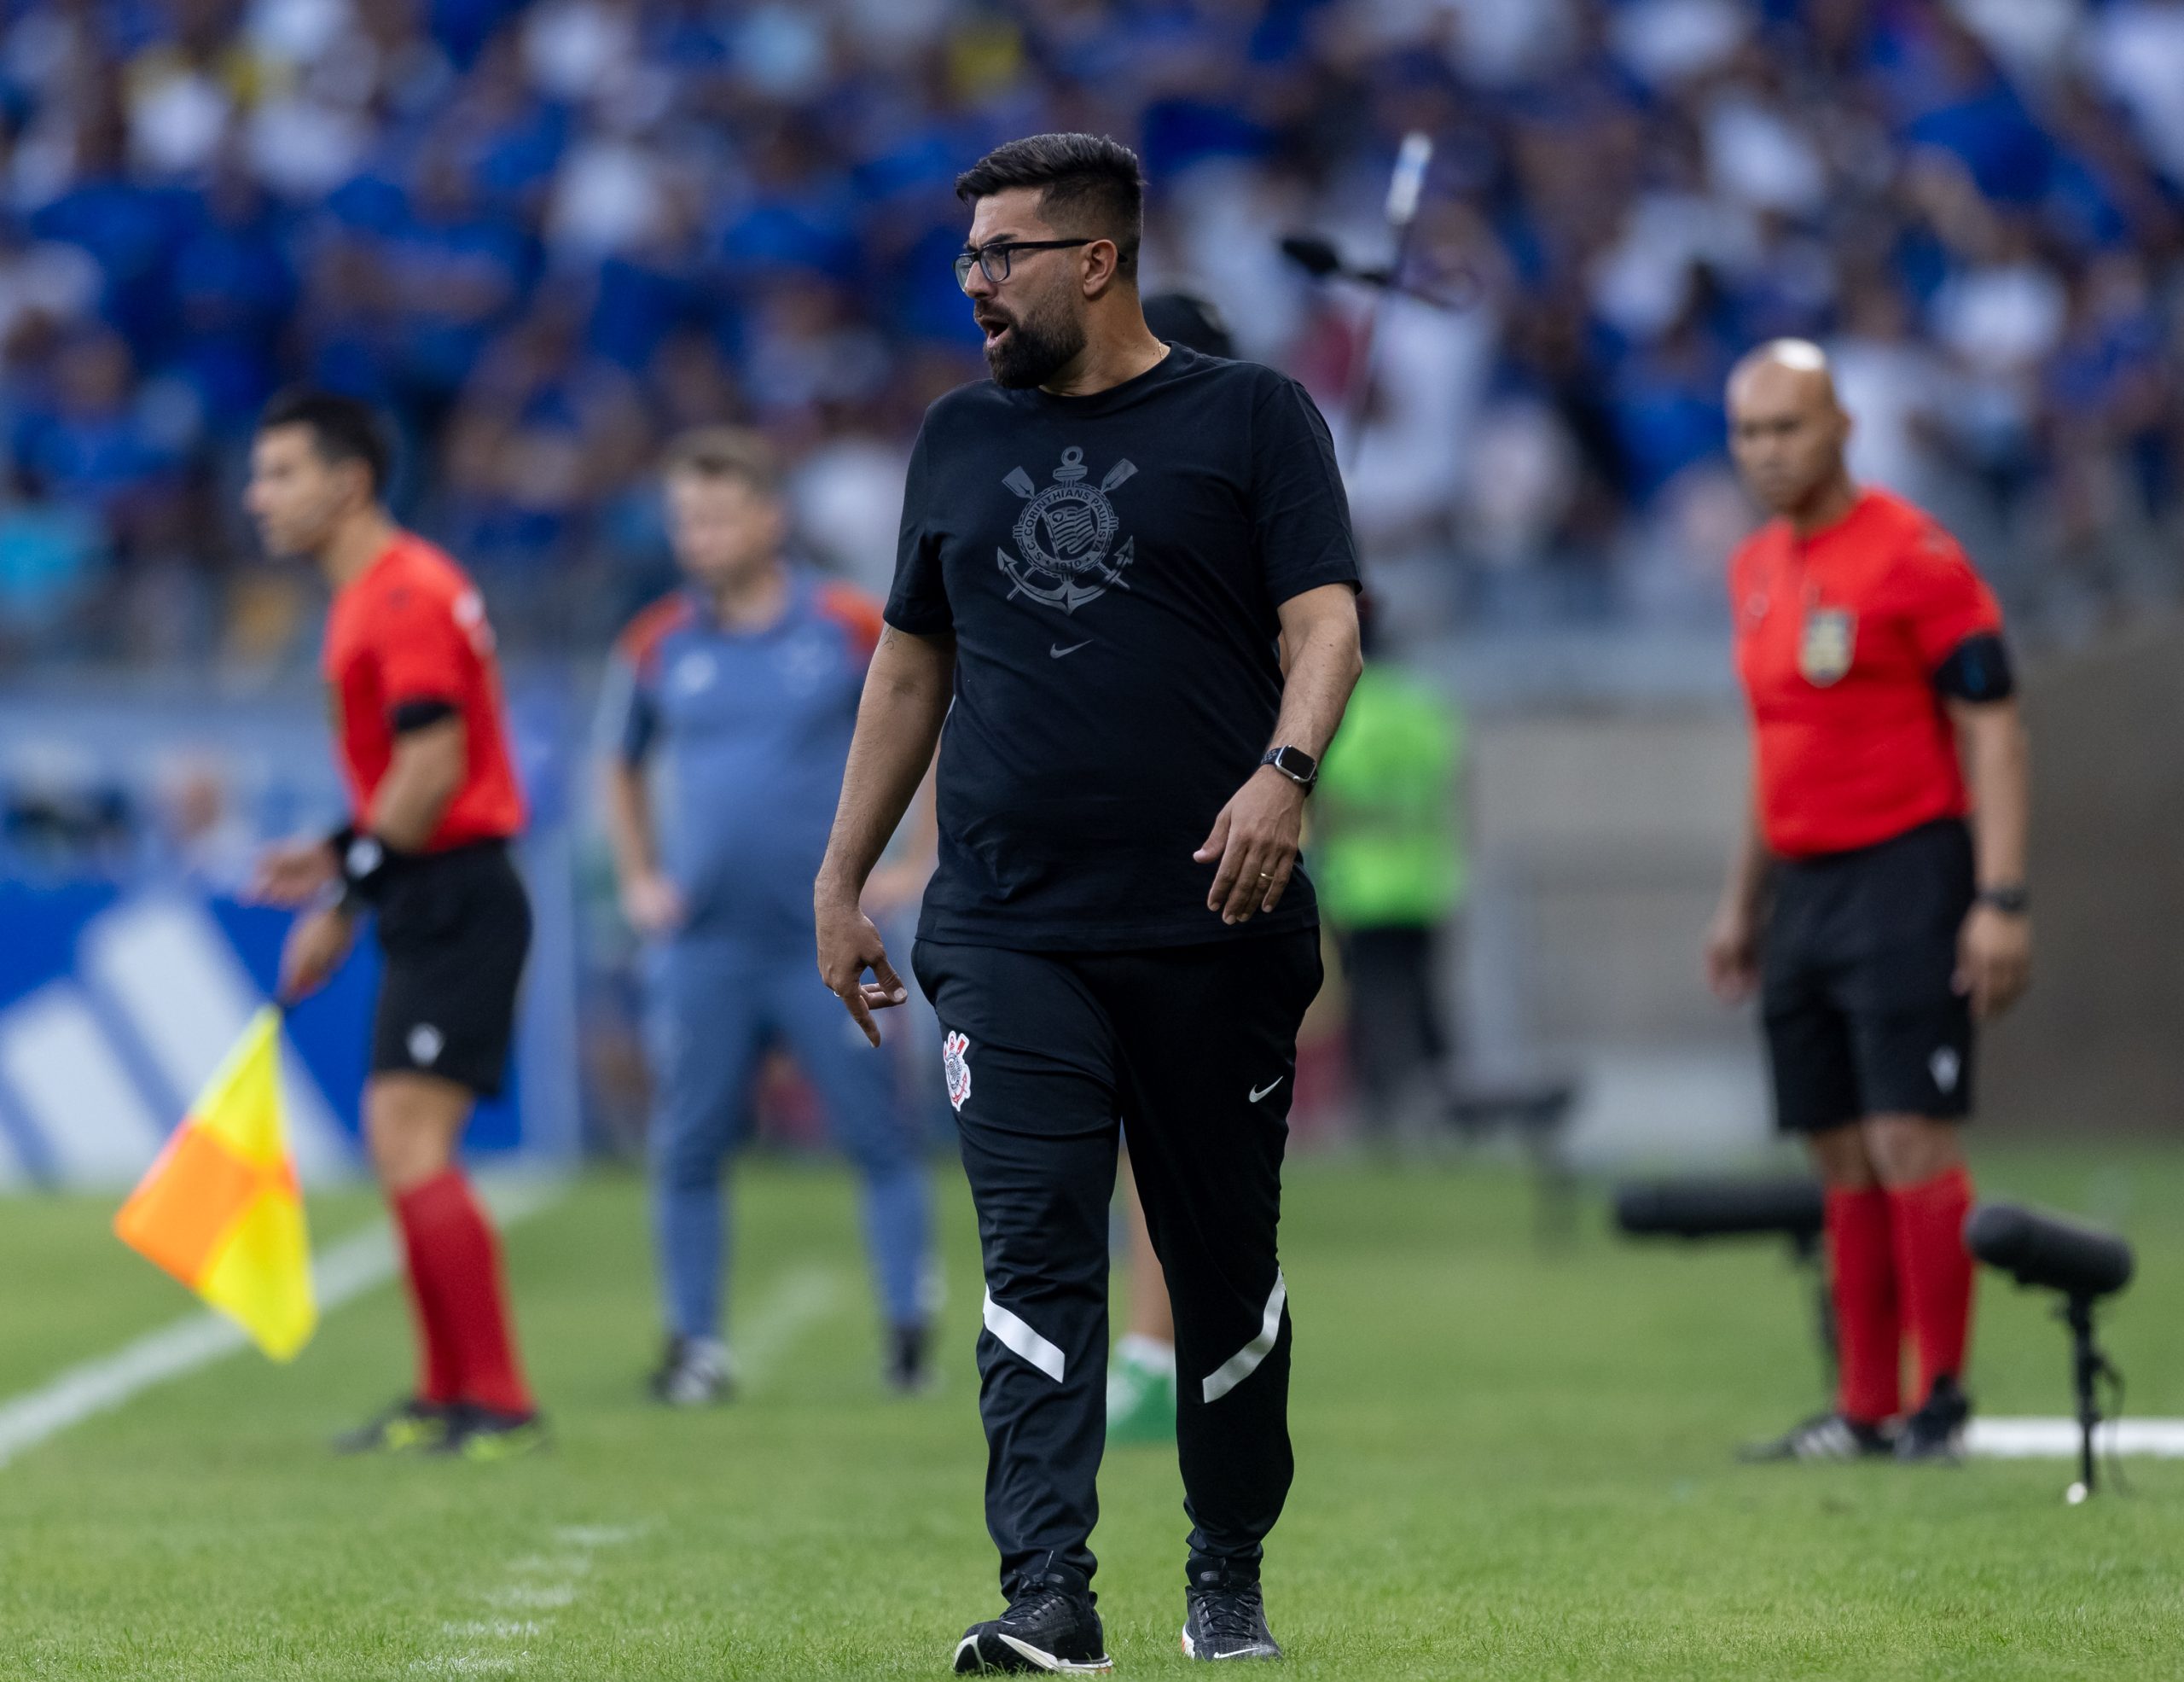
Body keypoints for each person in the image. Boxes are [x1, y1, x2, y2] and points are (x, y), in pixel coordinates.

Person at [815, 134, 1362, 1672]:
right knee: (1035, 1250)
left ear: (1097, 259)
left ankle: (1228, 1560)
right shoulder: (954, 437)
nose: (975, 285)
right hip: (1006, 928)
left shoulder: (1255, 417)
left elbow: (1328, 623)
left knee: (1224, 1279)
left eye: (1003, 256)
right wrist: (843, 871)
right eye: (968, 258)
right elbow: (910, 665)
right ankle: (1049, 1591)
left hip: (1214, 926)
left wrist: (1285, 770)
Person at [1705, 340, 2031, 1465]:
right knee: (1837, 1148)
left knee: (1905, 1133)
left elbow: (1992, 725)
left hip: (1907, 868)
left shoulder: (1917, 556)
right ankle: (1865, 1406)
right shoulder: (1753, 567)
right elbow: (1773, 743)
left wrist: (2000, 894)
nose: (1766, 452)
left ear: (1842, 425)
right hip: (1803, 887)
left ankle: (1939, 1398)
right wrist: (1741, 902)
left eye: (1787, 427)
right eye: (1748, 432)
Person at [596, 427, 936, 1403]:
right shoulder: (658, 641)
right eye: (683, 519)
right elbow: (617, 759)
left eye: (715, 515)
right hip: (704, 942)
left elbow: (931, 719)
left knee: (877, 1135)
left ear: (769, 519)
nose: (696, 535)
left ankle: (907, 1326)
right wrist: (639, 875)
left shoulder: (845, 625)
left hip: (824, 937)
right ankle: (696, 1344)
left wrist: (919, 857)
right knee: (689, 1142)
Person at [246, 388, 543, 1460]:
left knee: (413, 1139)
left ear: (350, 480)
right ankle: (446, 1395)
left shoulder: (404, 592)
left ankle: (498, 1403)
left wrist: (343, 900)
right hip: (432, 882)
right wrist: (337, 851)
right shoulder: (375, 592)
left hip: (456, 887)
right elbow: (406, 777)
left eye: (280, 472)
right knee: (397, 1137)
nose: (257, 496)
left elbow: (434, 767)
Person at [1103, 289, 1235, 1450]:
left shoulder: (1235, 511)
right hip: (1088, 860)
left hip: (1194, 861)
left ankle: (1162, 1348)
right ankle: (1157, 1344)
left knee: (1170, 1127)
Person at [1314, 609, 1466, 1144]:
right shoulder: (1423, 705)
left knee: (1373, 1006)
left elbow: (1325, 796)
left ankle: (1384, 1119)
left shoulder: (1343, 704)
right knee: (1424, 1000)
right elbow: (1450, 787)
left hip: (1363, 885)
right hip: (1425, 880)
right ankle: (1450, 1112)